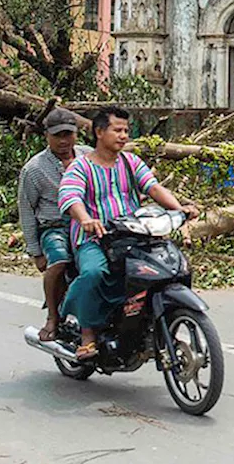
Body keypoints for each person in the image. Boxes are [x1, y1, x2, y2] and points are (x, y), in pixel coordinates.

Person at [58, 106, 197, 360]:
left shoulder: (131, 162)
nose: (123, 136)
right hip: (95, 239)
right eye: (117, 130)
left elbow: (154, 189)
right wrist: (86, 219)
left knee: (170, 268)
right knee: (94, 272)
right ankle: (87, 334)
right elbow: (70, 197)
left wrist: (181, 209)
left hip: (133, 234)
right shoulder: (80, 167)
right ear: (100, 132)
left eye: (126, 131)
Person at [17, 107, 90, 342]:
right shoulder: (34, 169)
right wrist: (35, 252)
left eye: (68, 134)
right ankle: (52, 316)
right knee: (58, 261)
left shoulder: (89, 157)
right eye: (58, 135)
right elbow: (26, 210)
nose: (64, 141)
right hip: (55, 227)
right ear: (46, 135)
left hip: (87, 222)